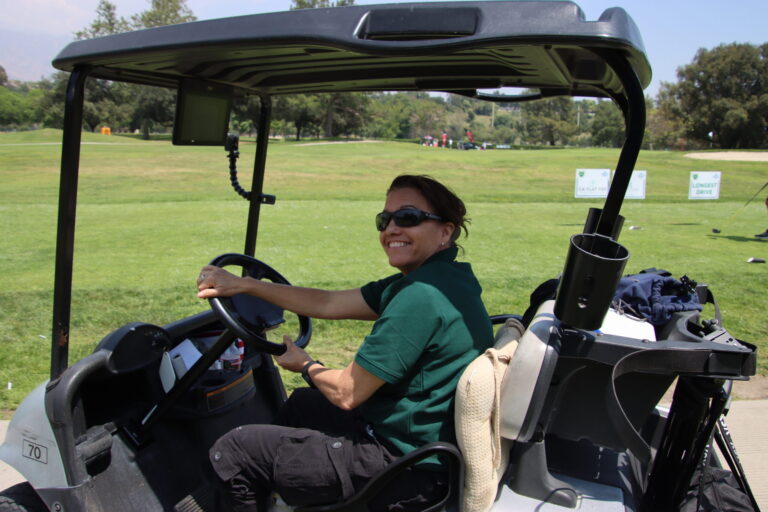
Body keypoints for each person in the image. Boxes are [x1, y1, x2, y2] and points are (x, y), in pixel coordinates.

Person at [197, 174, 494, 511]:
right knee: (303, 405)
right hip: (414, 445)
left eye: (408, 217)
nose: (391, 229)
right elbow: (328, 303)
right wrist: (247, 285)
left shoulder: (420, 296)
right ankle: (277, 493)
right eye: (385, 219)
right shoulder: (443, 279)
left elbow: (347, 393)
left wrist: (306, 365)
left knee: (235, 450)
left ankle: (260, 484)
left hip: (403, 469)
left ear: (446, 231)